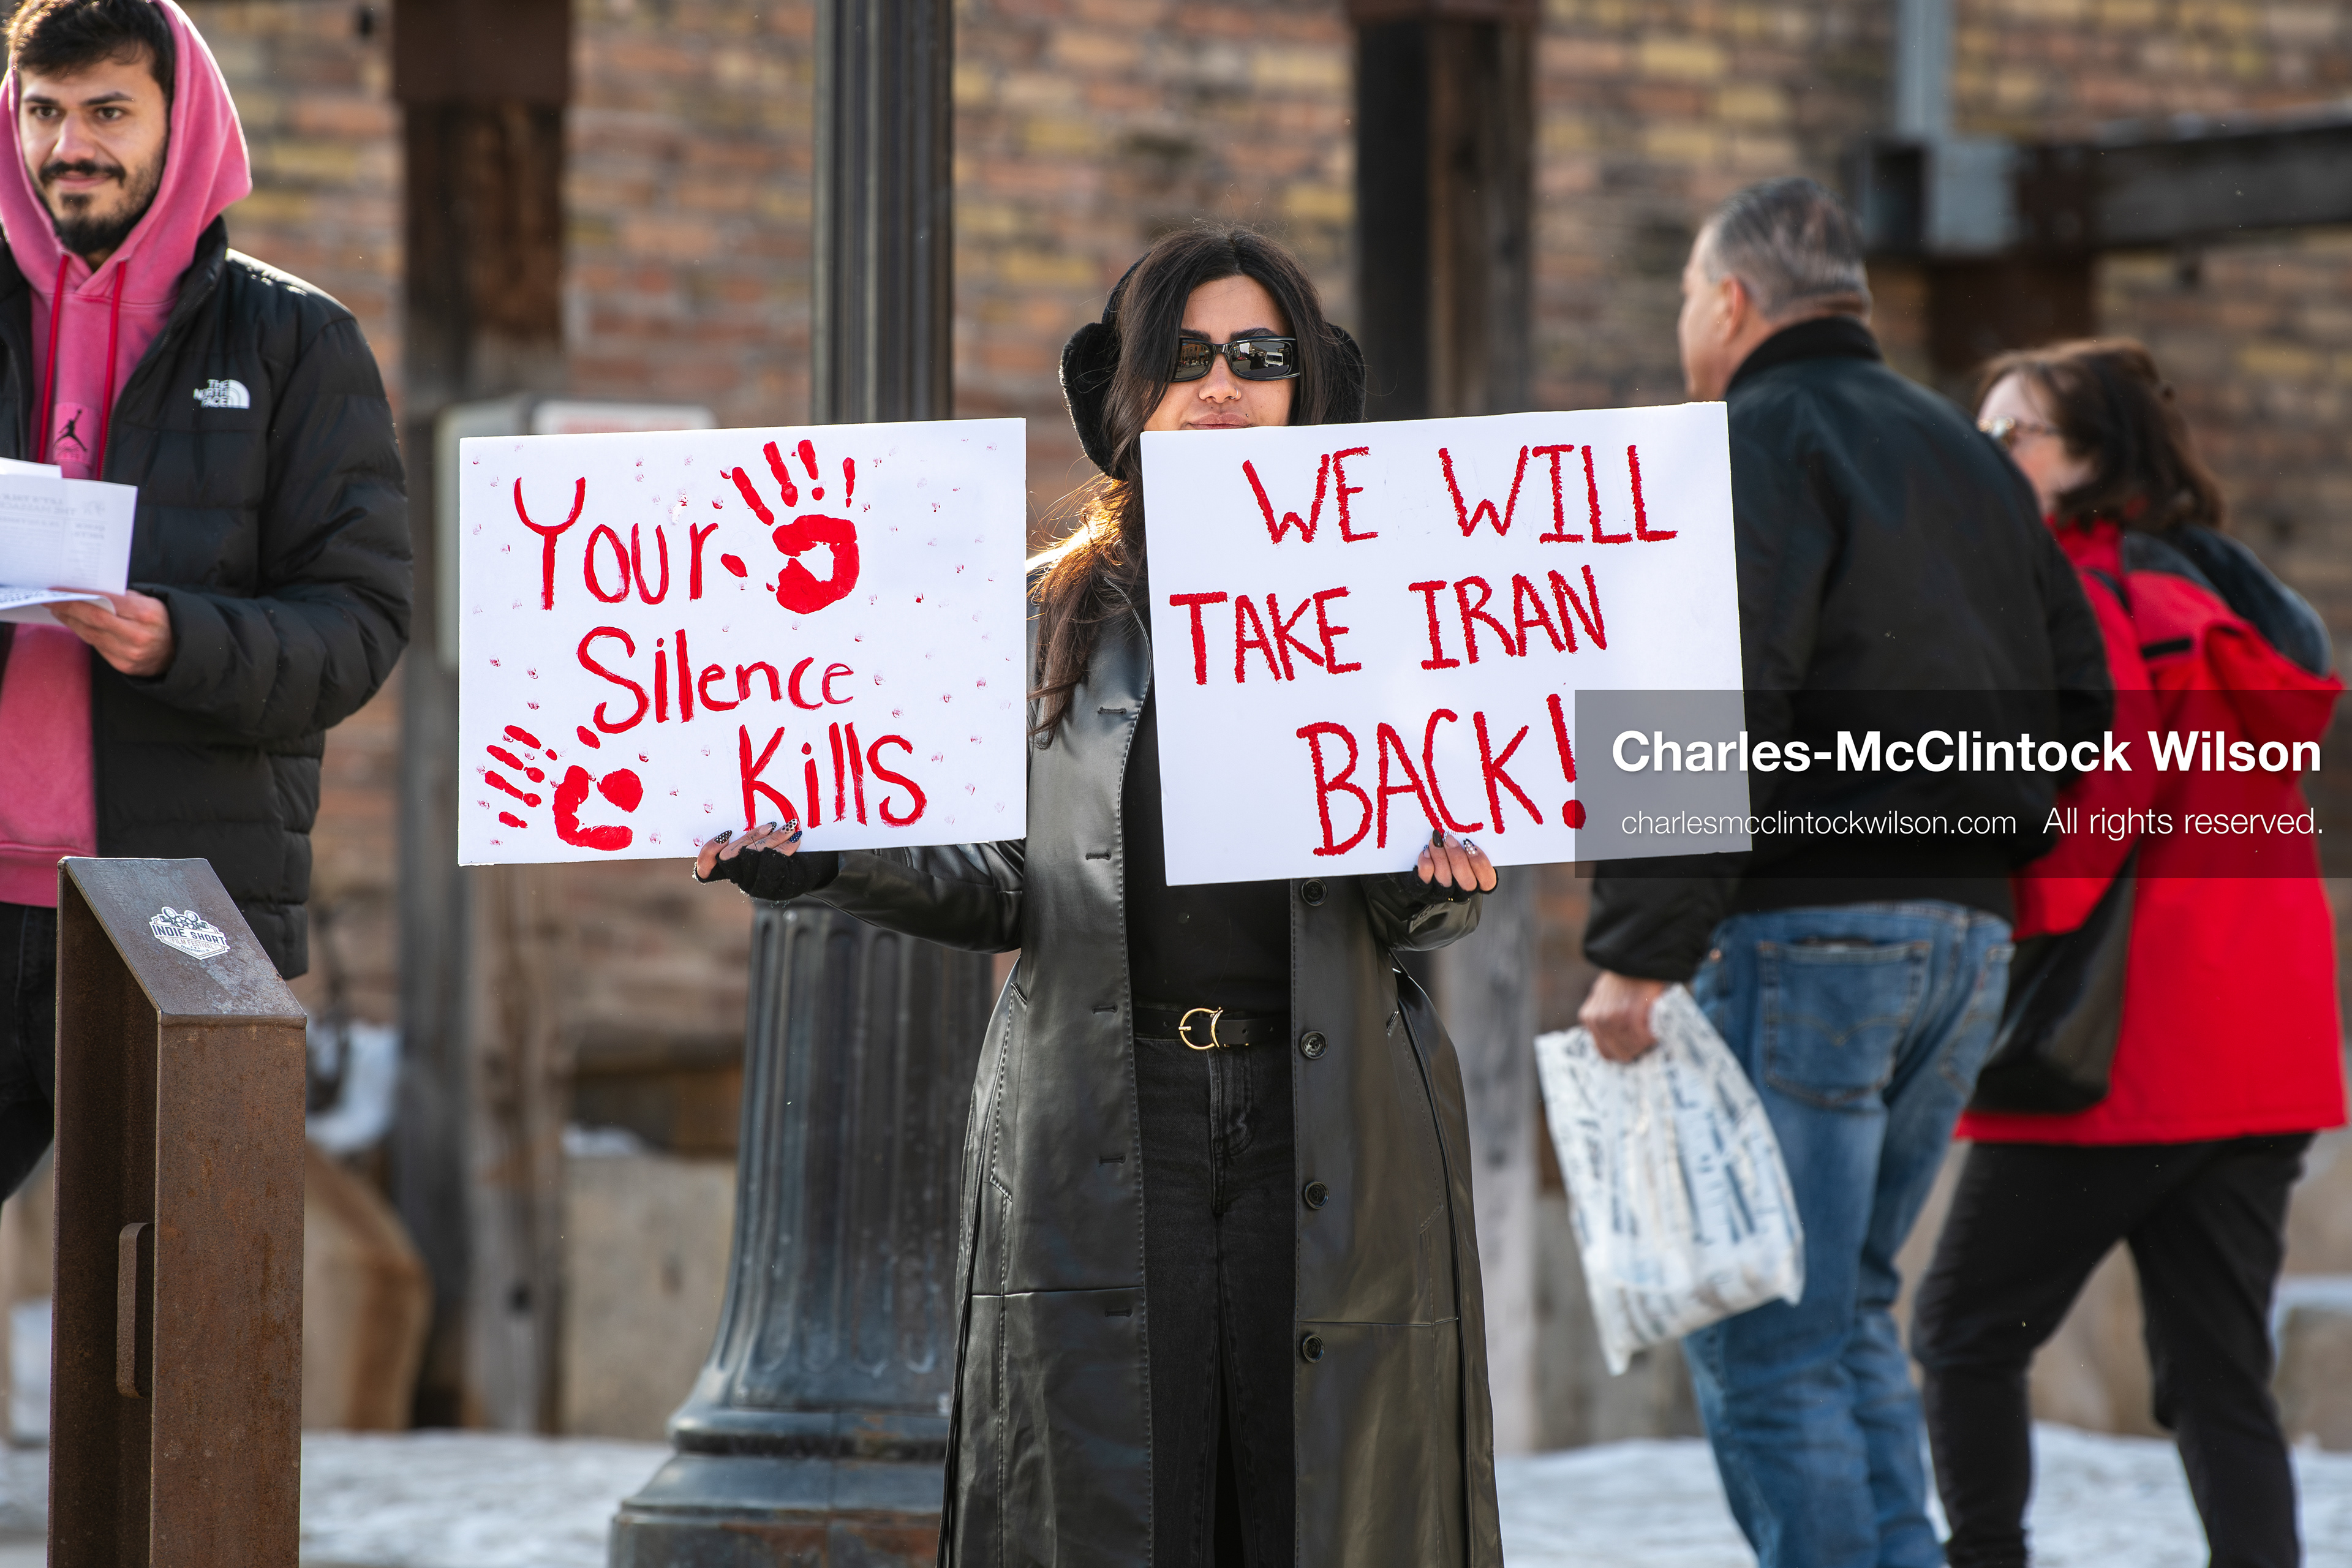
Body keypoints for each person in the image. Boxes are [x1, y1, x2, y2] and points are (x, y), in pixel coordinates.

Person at [695, 226, 1502, 1567]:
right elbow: (1000, 882)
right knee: (1123, 1500)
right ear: (1130, 393)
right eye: (1184, 359)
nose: (1223, 385)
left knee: (1315, 1503)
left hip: (1337, 1125)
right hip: (1103, 1116)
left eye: (1259, 356)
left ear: (1308, 387)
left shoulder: (1393, 599)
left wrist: (1434, 870)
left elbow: (1440, 895)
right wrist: (822, 852)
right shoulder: (1038, 616)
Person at [1575, 178, 2112, 1568]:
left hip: (1807, 937)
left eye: (1690, 296)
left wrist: (1637, 945)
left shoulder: (1750, 440)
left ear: (1732, 301)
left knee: (1767, 1337)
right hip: (1964, 948)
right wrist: (1979, 841)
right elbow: (2086, 694)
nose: (1688, 321)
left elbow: (1705, 691)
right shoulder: (1970, 457)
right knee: (1850, 1308)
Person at [1912, 341, 2345, 1568]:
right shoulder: (2226, 612)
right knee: (2219, 1377)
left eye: (2015, 434)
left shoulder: (2093, 598)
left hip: (2118, 1058)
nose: (1985, 452)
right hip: (2261, 1062)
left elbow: (2086, 818)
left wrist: (1978, 920)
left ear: (2095, 463)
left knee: (1960, 1330)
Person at [0, 0, 409, 1196]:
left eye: (109, 112)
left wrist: (179, 638)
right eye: (44, 113)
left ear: (185, 125)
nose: (71, 144)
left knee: (184, 1315)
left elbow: (361, 624)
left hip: (180, 910)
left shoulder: (298, 342)